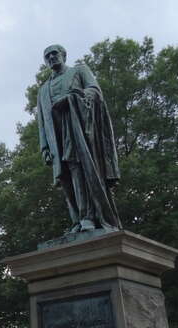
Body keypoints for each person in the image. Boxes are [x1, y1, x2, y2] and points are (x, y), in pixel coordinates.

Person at [37, 44, 122, 232]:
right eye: (47, 56)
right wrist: (44, 148)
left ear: (64, 55)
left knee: (81, 171)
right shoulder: (43, 90)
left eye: (54, 53)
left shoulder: (80, 70)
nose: (51, 57)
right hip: (56, 138)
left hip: (79, 130)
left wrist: (71, 98)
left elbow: (94, 91)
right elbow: (41, 121)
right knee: (65, 178)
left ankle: (88, 217)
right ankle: (77, 219)